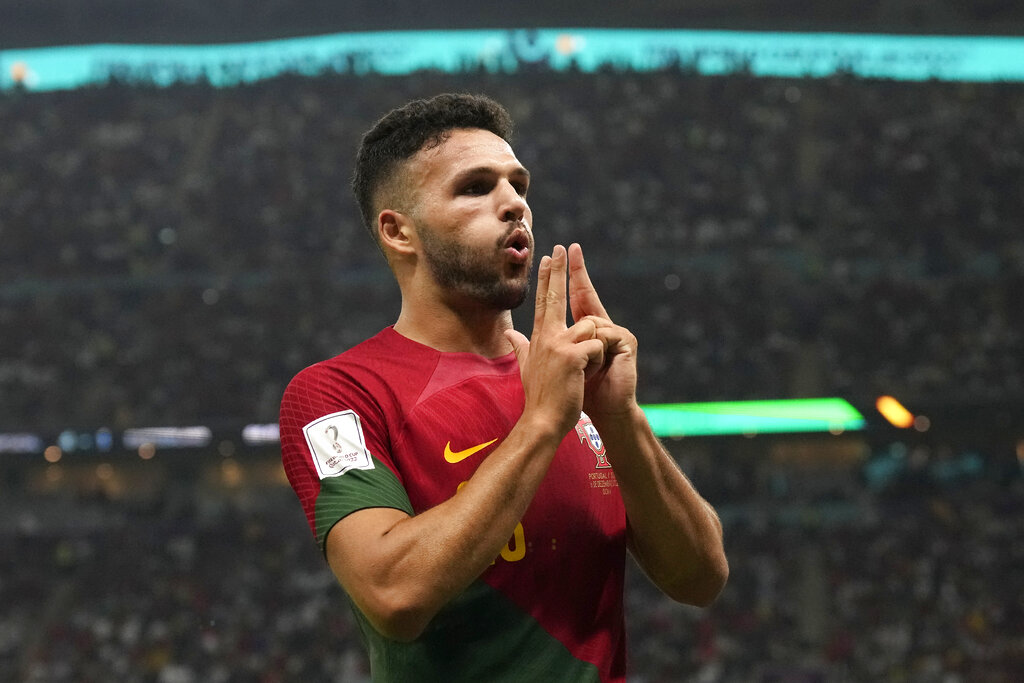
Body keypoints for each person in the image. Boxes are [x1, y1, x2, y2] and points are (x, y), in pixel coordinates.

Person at [279, 93, 728, 682]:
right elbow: (394, 594)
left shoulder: (577, 380)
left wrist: (620, 418)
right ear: (399, 231)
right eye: (475, 188)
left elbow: (700, 578)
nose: (514, 203)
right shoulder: (338, 394)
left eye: (518, 185)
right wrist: (542, 422)